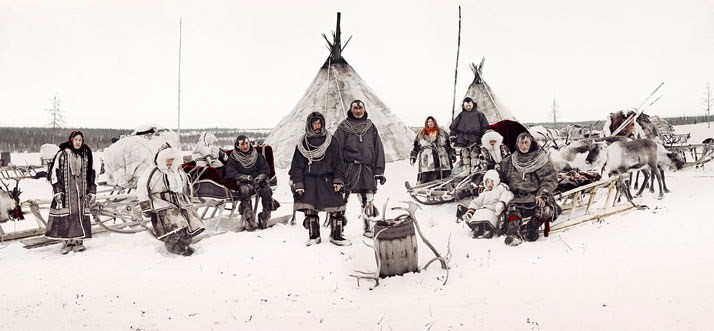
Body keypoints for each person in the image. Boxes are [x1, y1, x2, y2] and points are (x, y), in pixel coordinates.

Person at [289, 112, 350, 246]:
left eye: (319, 123)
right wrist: (298, 183)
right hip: (309, 181)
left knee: (336, 208)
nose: (317, 126)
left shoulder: (331, 141)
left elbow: (338, 163)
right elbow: (297, 166)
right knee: (310, 210)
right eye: (314, 123)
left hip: (328, 180)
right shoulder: (302, 143)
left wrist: (338, 180)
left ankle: (336, 235)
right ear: (309, 125)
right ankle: (314, 235)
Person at [137, 143, 205, 256]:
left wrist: (188, 199)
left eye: (172, 159)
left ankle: (184, 246)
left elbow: (186, 186)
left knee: (189, 224)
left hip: (179, 202)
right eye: (166, 160)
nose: (169, 162)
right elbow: (142, 190)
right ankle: (175, 249)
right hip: (161, 204)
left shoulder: (178, 171)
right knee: (174, 226)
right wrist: (146, 207)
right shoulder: (153, 172)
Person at [334, 99, 386, 238]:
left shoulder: (370, 126)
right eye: (355, 108)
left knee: (367, 199)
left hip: (366, 170)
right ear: (351, 110)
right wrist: (336, 173)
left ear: (364, 109)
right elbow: (335, 149)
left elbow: (378, 148)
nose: (358, 111)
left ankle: (368, 228)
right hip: (348, 168)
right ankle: (338, 230)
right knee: (342, 199)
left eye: (360, 108)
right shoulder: (344, 126)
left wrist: (379, 170)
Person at [499, 132, 560, 246]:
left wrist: (542, 194)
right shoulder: (510, 161)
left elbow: (549, 179)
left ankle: (530, 229)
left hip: (537, 195)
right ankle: (513, 234)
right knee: (512, 209)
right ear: (517, 144)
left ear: (531, 143)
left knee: (545, 210)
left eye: (526, 142)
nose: (524, 146)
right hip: (518, 196)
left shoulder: (541, 159)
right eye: (521, 143)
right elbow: (500, 176)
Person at [45, 130, 97, 254]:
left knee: (79, 214)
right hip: (66, 192)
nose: (78, 142)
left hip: (82, 192)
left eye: (80, 140)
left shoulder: (87, 154)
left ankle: (79, 242)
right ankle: (67, 243)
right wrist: (58, 191)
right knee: (67, 215)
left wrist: (92, 190)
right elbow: (54, 174)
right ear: (71, 140)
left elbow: (93, 173)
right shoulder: (62, 154)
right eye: (76, 140)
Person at [224, 135, 273, 230]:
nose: (245, 146)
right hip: (244, 182)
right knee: (245, 190)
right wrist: (243, 177)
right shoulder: (233, 158)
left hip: (257, 180)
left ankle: (264, 217)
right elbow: (230, 171)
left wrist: (260, 177)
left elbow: (265, 169)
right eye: (242, 144)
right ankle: (249, 220)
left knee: (267, 191)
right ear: (237, 146)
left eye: (247, 143)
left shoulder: (257, 155)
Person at [462, 169, 513, 239]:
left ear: (496, 181)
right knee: (479, 214)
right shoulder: (484, 193)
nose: (490, 184)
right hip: (483, 209)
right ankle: (478, 228)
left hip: (494, 210)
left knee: (488, 216)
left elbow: (507, 195)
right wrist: (470, 211)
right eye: (487, 182)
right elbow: (476, 202)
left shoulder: (500, 188)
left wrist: (501, 203)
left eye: (492, 181)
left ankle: (487, 229)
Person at [409, 116, 456, 184]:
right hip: (427, 159)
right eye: (428, 122)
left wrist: (452, 154)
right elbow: (416, 147)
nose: (430, 123)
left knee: (444, 175)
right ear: (426, 123)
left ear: (435, 122)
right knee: (427, 176)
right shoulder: (421, 134)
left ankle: (445, 187)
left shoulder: (442, 133)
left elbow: (448, 145)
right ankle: (424, 187)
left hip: (442, 157)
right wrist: (413, 157)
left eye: (432, 121)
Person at [449, 97, 490, 174]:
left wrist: (482, 137)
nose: (468, 107)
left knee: (474, 155)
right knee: (465, 156)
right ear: (464, 106)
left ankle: (474, 172)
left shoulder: (479, 115)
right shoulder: (461, 115)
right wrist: (453, 137)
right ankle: (466, 171)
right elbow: (453, 127)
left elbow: (485, 127)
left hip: (475, 138)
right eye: (466, 106)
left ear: (472, 104)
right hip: (463, 139)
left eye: (469, 105)